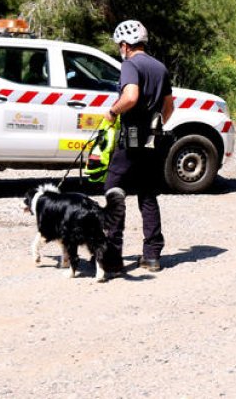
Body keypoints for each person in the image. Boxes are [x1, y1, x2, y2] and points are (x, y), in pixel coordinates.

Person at [101, 19, 174, 278]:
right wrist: (156, 122)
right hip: (152, 139)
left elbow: (130, 97)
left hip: (131, 138)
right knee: (147, 194)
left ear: (125, 45)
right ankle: (152, 254)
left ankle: (112, 259)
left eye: (119, 46)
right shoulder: (159, 67)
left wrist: (112, 111)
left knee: (113, 191)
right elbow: (169, 107)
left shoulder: (130, 64)